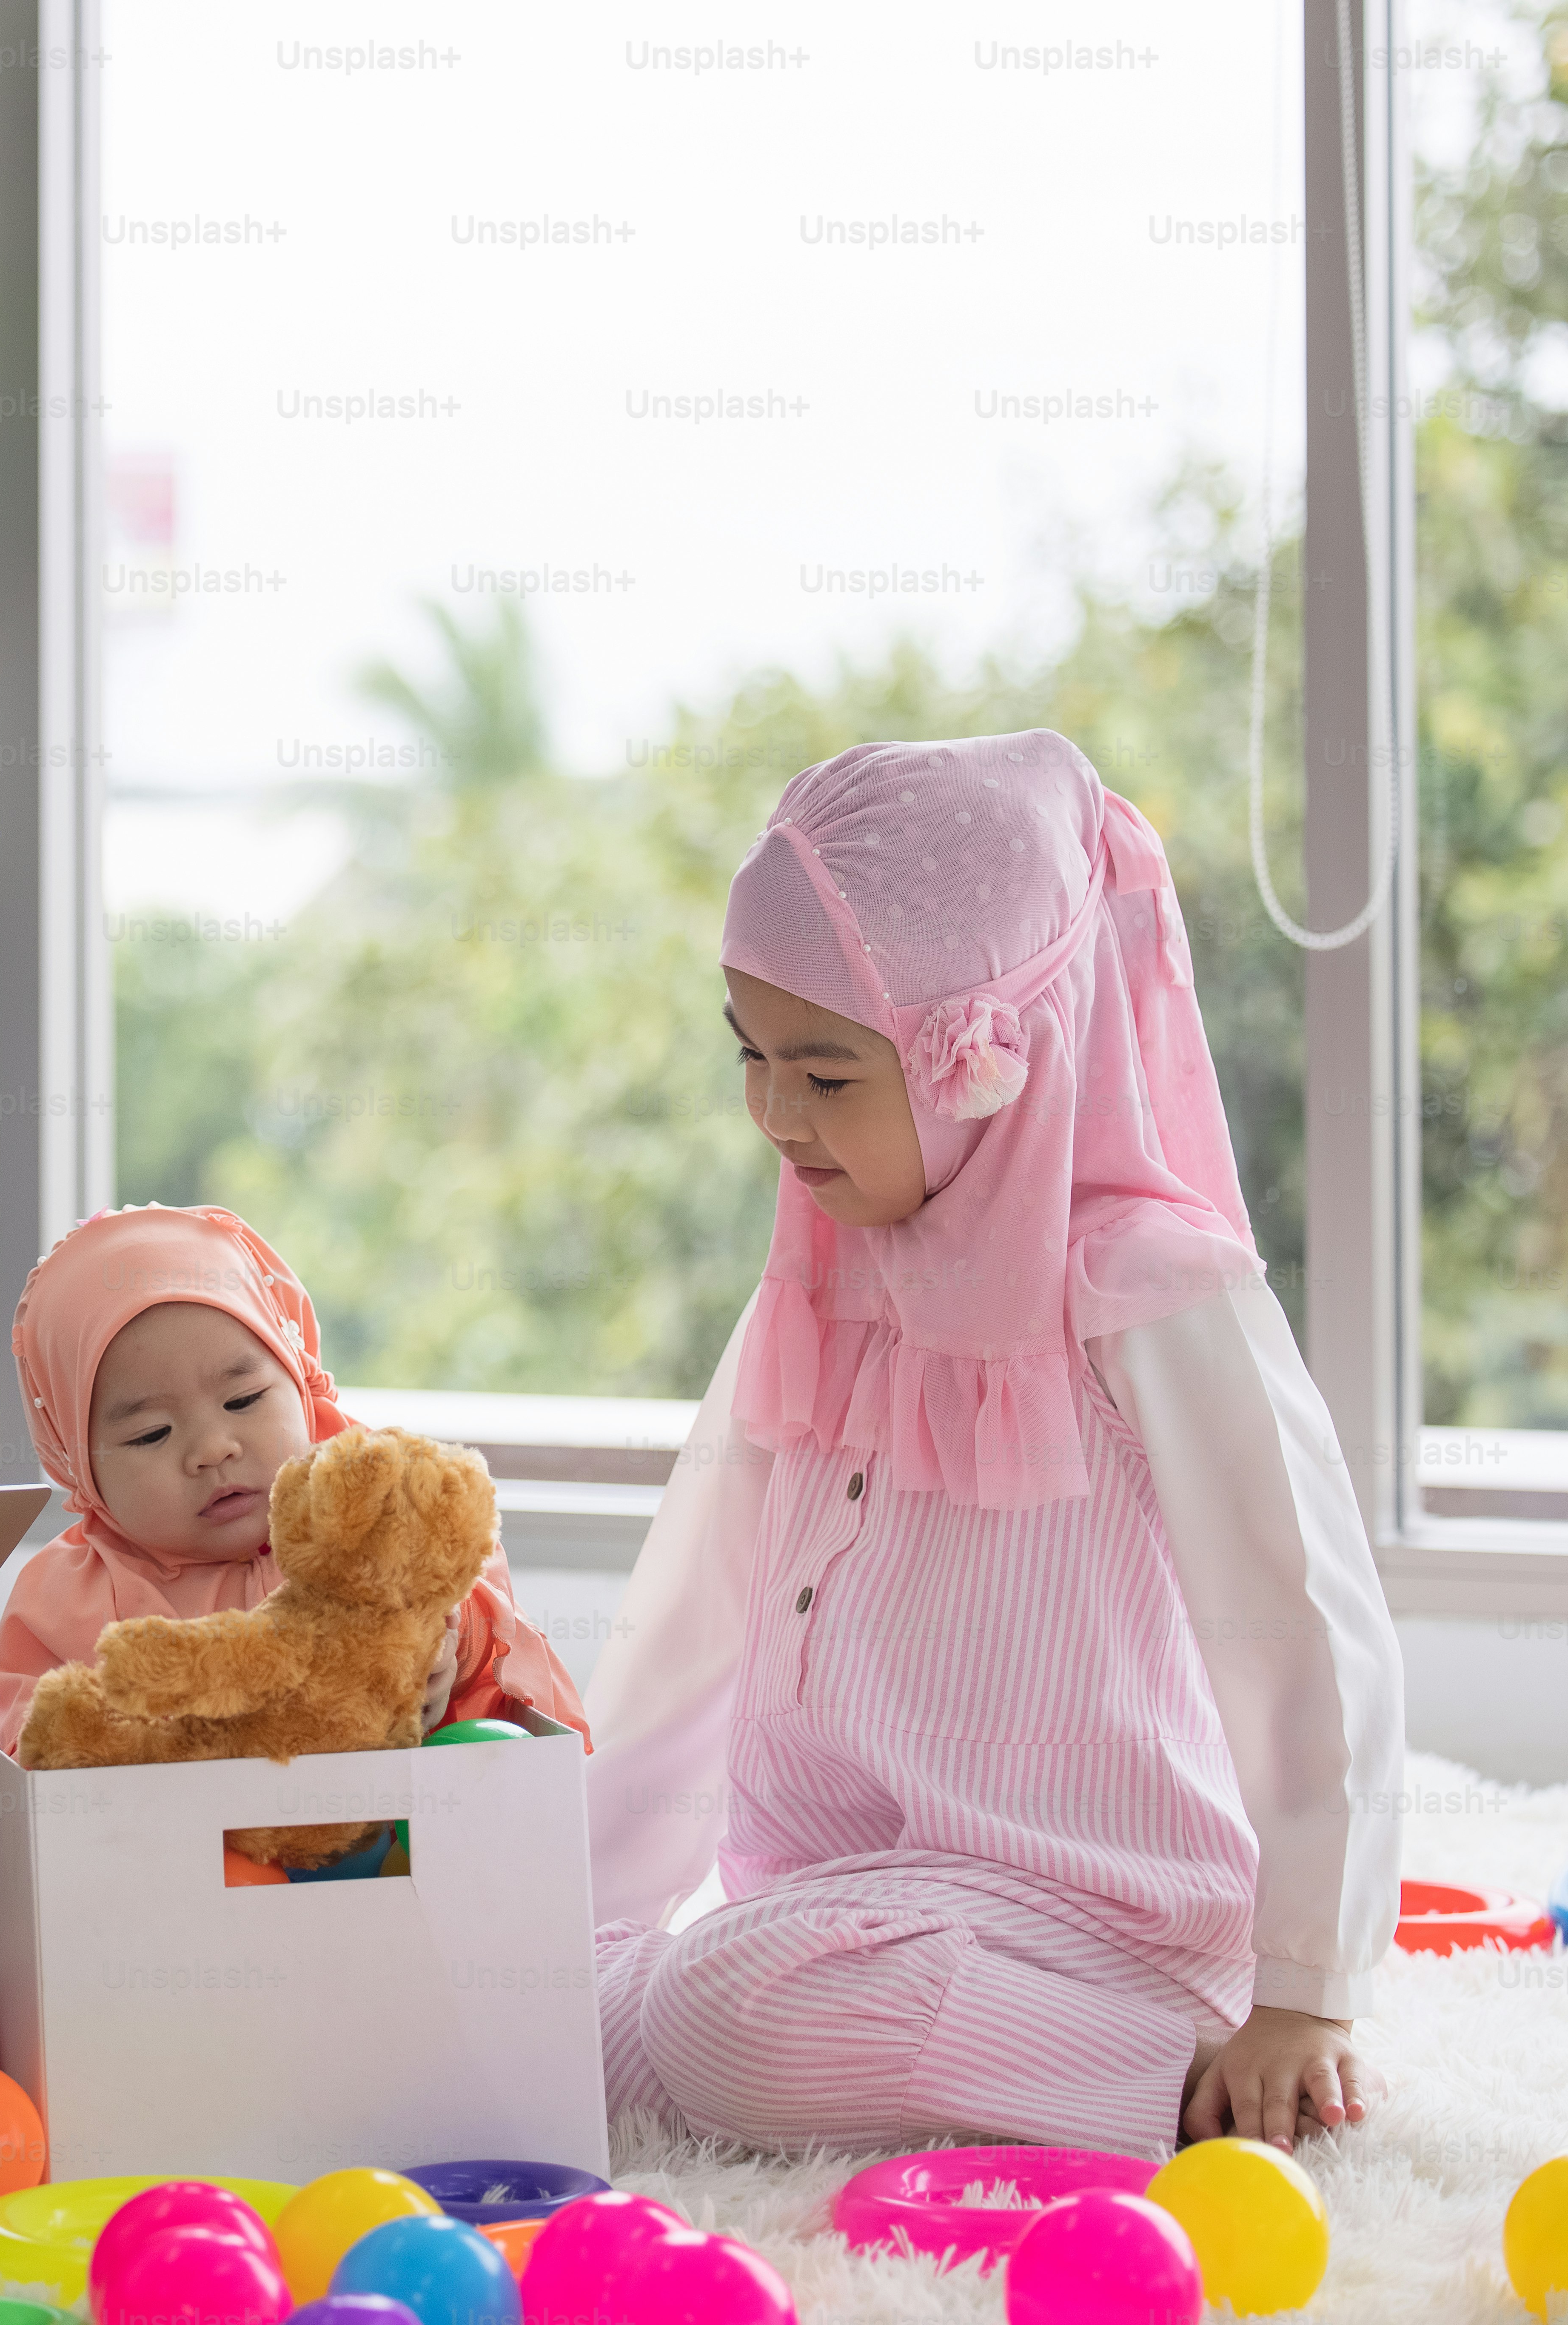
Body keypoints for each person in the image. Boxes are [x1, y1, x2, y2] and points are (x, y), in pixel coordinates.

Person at [585, 729, 1406, 2157]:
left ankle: (1183, 2088)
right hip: (848, 1901)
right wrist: (578, 1916)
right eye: (753, 1060)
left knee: (721, 2013)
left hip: (1102, 1915)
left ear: (989, 1060)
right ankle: (744, 2011)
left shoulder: (1148, 1284)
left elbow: (1305, 1625)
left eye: (829, 1076)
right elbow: (690, 1618)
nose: (777, 1117)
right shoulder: (816, 1286)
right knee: (600, 2018)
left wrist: (1307, 1987)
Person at [0, 1202, 588, 1757]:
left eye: (243, 1399)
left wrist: (452, 1650)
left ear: (299, 1384)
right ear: (78, 1464)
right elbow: (30, 1749)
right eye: (151, 1435)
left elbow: (481, 1609)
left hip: (397, 1850)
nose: (213, 1450)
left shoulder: (374, 1511)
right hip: (177, 1862)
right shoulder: (60, 1601)